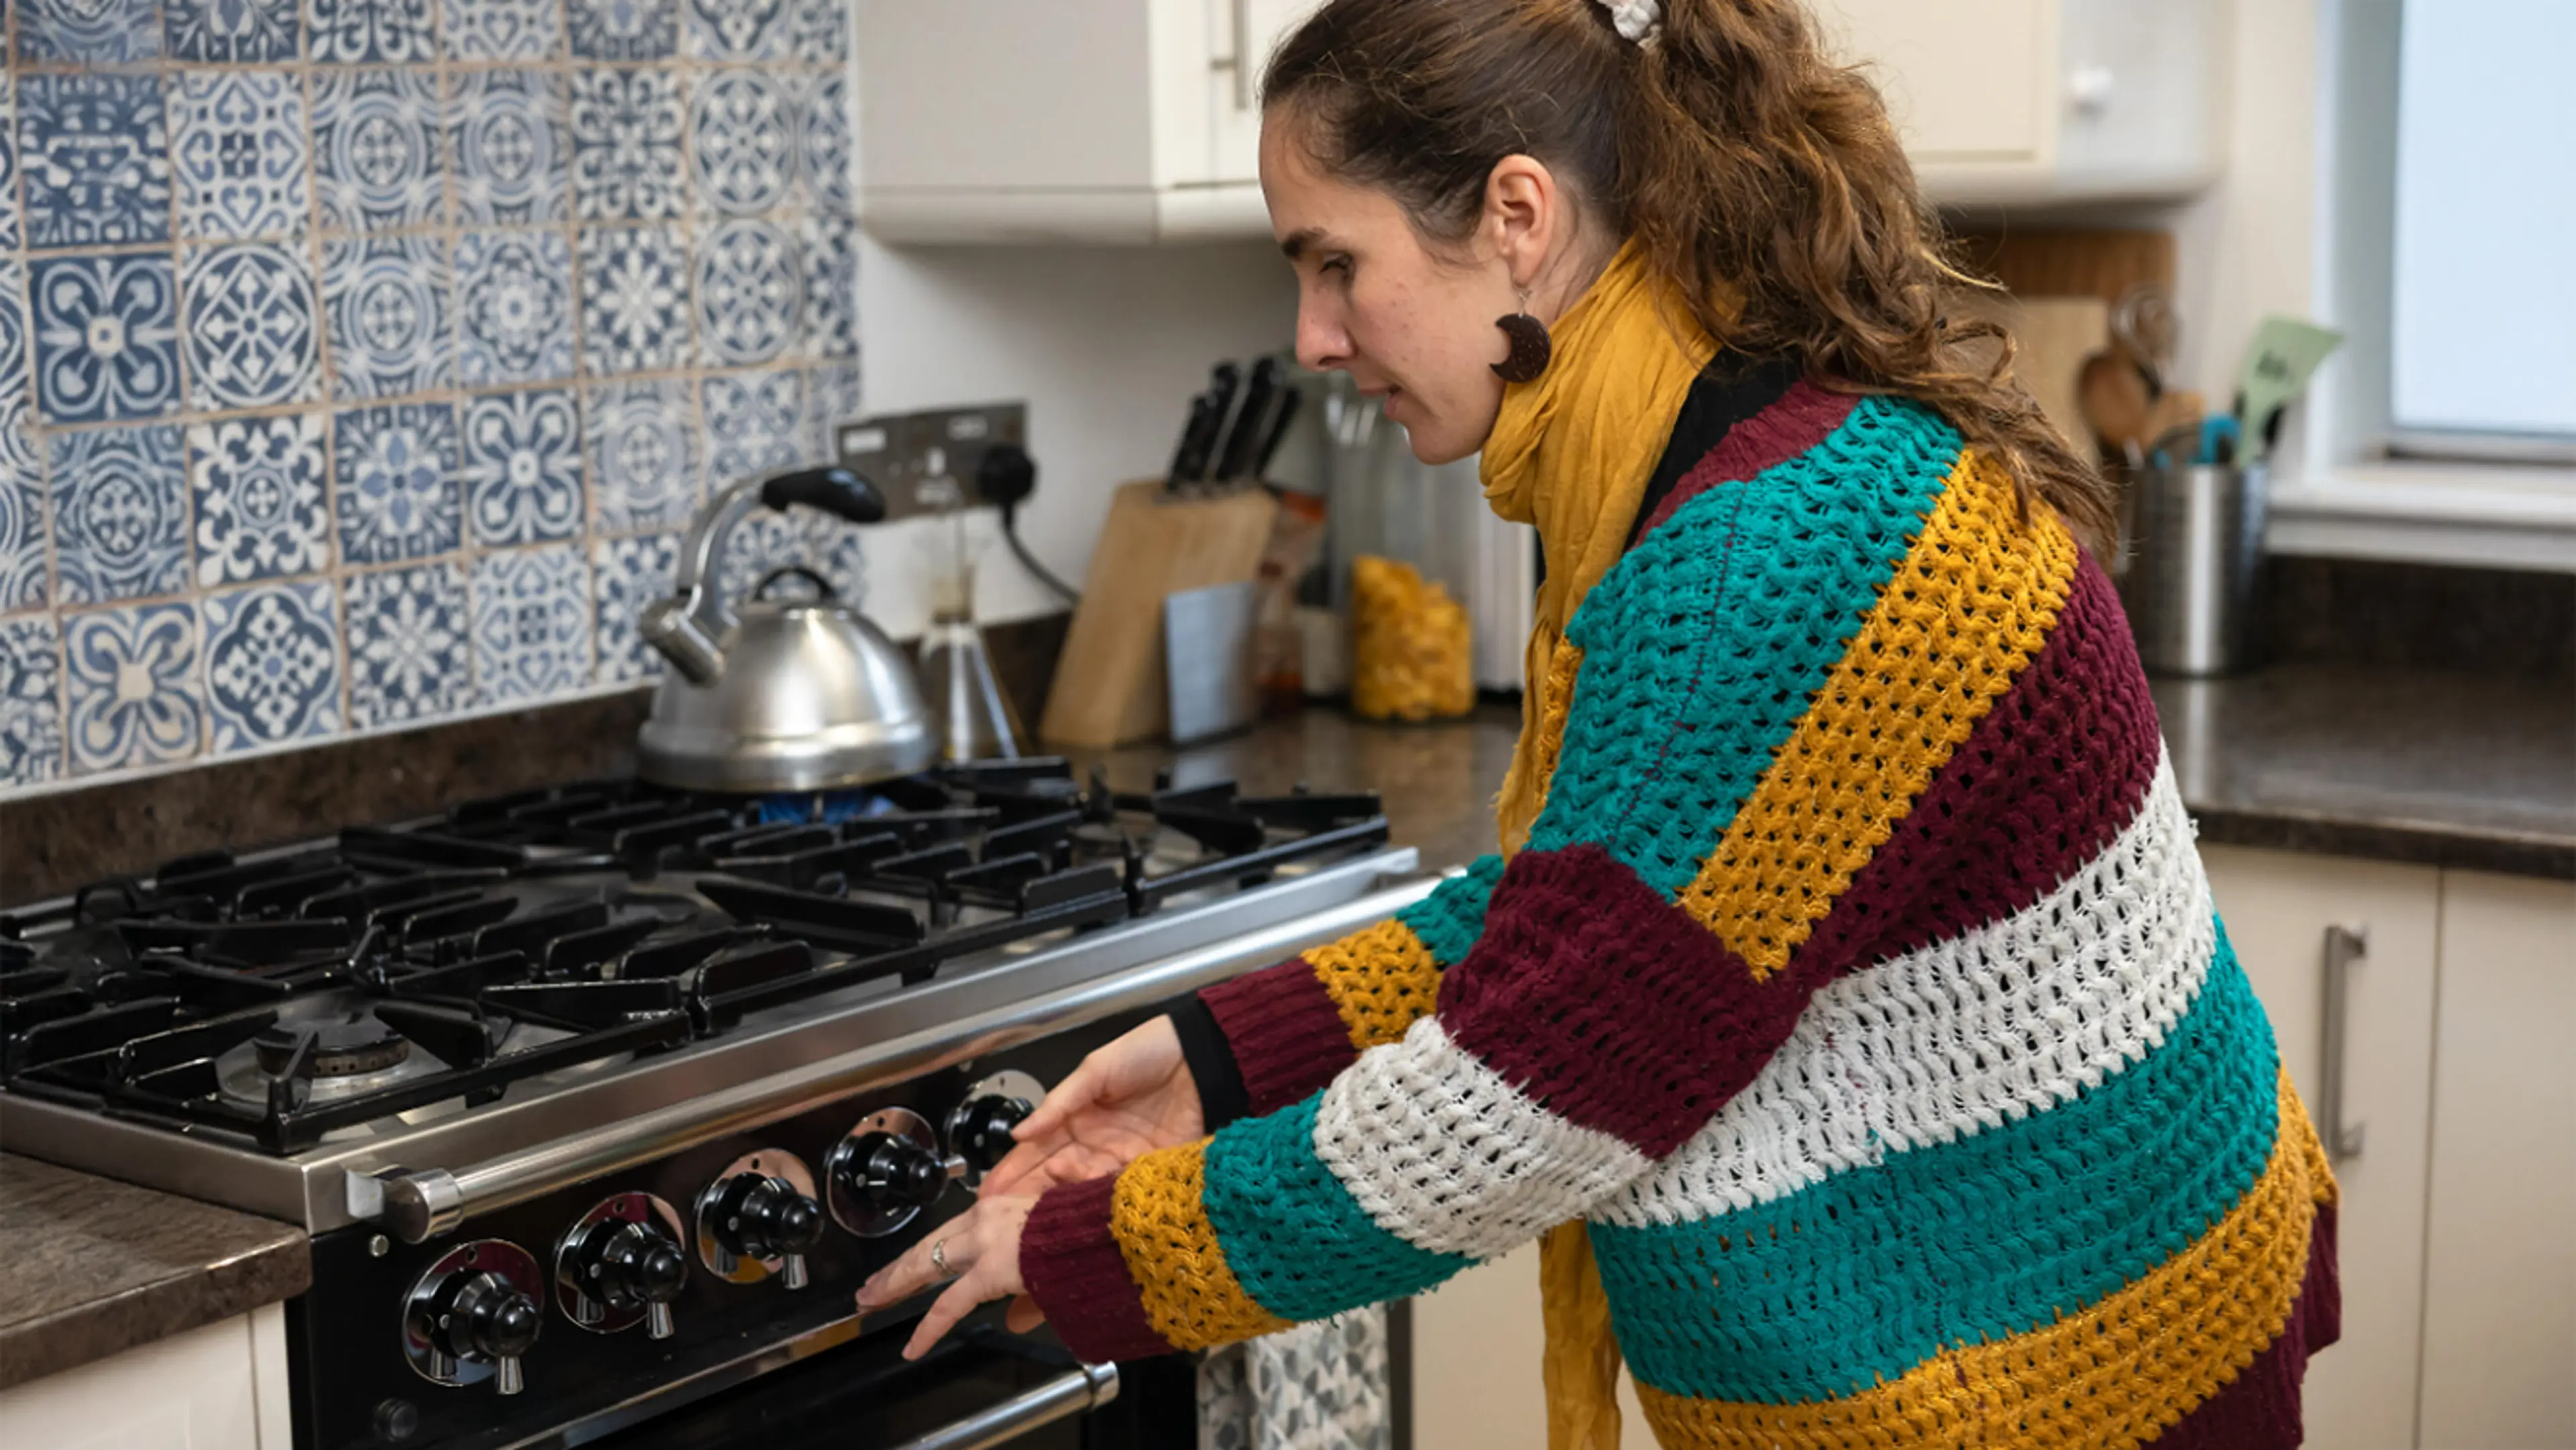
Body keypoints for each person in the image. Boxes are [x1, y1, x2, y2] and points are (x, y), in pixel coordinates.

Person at [857, 1, 2341, 1445]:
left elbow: (1535, 1088)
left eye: (1333, 262)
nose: (1310, 335)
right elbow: (1604, 908)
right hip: (2073, 1299)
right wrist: (1223, 1058)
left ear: (1516, 214)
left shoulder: (1776, 546)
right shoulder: (1724, 457)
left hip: (2074, 1375)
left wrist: (1108, 1250)